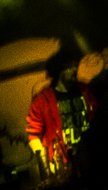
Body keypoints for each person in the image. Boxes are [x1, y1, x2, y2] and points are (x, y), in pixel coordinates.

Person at [27, 45, 98, 176]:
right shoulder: (43, 100)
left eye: (75, 65)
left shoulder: (86, 90)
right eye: (69, 67)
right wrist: (46, 164)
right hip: (61, 164)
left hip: (91, 159)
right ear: (58, 70)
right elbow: (33, 135)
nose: (74, 69)